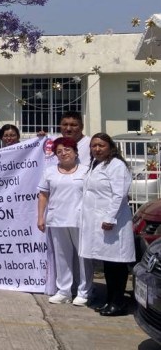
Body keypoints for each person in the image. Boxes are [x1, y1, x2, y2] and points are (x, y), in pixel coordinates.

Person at [80, 133, 135, 317]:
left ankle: (118, 303)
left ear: (110, 147)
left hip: (113, 222)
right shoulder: (95, 165)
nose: (97, 149)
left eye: (101, 145)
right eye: (94, 145)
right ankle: (110, 300)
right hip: (100, 222)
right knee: (108, 264)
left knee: (116, 264)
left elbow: (119, 194)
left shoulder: (116, 165)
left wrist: (110, 218)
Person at [37, 137, 91, 306]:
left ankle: (84, 292)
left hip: (80, 219)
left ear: (75, 152)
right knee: (62, 258)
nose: (63, 153)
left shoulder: (86, 170)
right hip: (57, 219)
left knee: (83, 257)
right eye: (59, 151)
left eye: (67, 149)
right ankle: (64, 291)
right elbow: (43, 195)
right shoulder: (50, 171)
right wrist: (41, 217)